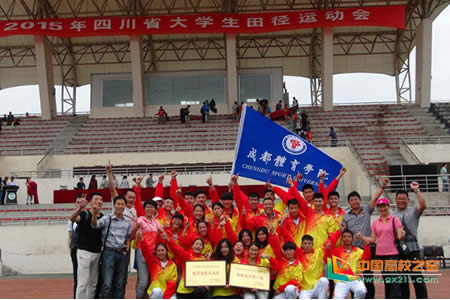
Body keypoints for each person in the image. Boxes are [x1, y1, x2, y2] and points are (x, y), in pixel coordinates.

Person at [342, 178, 388, 299]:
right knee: (354, 277)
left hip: (368, 248)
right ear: (349, 203)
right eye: (351, 200)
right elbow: (345, 233)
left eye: (356, 199)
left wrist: (383, 187)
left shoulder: (367, 210)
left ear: (359, 200)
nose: (354, 202)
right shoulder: (346, 217)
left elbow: (375, 198)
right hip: (353, 251)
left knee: (368, 277)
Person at [356, 198, 406, 299]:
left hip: (392, 254)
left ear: (388, 207)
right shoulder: (376, 222)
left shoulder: (394, 219)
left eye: (384, 206)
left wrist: (401, 234)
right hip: (380, 254)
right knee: (387, 280)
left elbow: (400, 234)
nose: (382, 208)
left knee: (394, 280)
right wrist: (362, 237)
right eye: (380, 207)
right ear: (378, 208)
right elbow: (373, 239)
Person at [91, 195, 133, 299]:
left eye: (122, 204)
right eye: (118, 204)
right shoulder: (107, 219)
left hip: (121, 254)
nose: (120, 206)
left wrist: (126, 248)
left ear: (125, 206)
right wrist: (94, 215)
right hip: (109, 253)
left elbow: (128, 237)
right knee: (107, 283)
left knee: (119, 284)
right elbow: (94, 225)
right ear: (114, 205)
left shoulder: (127, 222)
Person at [391, 181, 428, 299]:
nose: (401, 201)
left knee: (417, 278)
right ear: (395, 200)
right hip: (398, 252)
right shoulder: (392, 215)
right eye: (399, 198)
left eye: (404, 199)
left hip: (413, 250)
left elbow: (423, 205)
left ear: (408, 200)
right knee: (402, 280)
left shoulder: (413, 211)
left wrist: (416, 190)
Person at [70, 193, 104, 299]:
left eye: (101, 199)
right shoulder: (85, 214)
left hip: (97, 252)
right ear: (90, 202)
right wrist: (79, 208)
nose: (98, 201)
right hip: (84, 252)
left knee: (93, 284)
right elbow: (73, 219)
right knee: (83, 283)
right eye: (96, 199)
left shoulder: (103, 217)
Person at [327, 230, 370, 299]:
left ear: (352, 239)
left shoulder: (358, 251)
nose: (347, 238)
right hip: (341, 280)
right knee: (338, 297)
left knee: (362, 291)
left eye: (349, 237)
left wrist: (366, 246)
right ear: (342, 239)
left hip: (355, 279)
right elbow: (329, 250)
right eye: (345, 237)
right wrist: (339, 232)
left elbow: (367, 258)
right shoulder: (337, 251)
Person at [68, 195, 84, 299]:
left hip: (86, 250)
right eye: (77, 202)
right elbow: (70, 236)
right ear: (75, 204)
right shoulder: (71, 219)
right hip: (75, 250)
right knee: (77, 276)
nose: (79, 204)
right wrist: (70, 249)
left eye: (81, 202)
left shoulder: (87, 216)